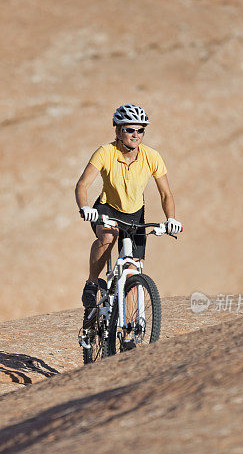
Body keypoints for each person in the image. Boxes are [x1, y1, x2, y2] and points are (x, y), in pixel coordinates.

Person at [75, 104, 182, 345]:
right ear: (117, 131)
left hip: (136, 215)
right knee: (108, 237)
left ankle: (127, 331)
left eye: (140, 130)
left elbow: (166, 194)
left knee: (133, 272)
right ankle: (92, 284)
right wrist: (85, 208)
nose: (136, 135)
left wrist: (171, 219)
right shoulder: (105, 152)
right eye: (129, 129)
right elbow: (82, 184)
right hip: (107, 208)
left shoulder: (151, 156)